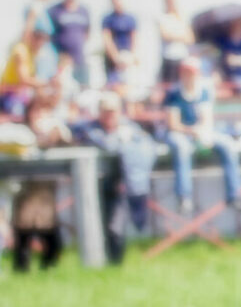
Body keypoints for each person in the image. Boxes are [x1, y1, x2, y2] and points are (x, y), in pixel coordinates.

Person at [81, 92, 157, 265]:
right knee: (93, 227)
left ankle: (114, 265)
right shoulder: (90, 130)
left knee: (115, 228)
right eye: (105, 111)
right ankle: (97, 263)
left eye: (112, 111)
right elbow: (105, 144)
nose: (109, 115)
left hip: (119, 186)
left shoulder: (132, 130)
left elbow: (147, 148)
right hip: (92, 186)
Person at [162, 58, 241, 214]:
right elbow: (173, 124)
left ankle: (234, 195)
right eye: (186, 72)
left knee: (228, 145)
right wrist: (193, 131)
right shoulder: (174, 93)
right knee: (182, 149)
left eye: (192, 73)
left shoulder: (203, 91)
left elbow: (206, 119)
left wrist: (202, 133)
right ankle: (184, 196)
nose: (189, 76)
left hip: (198, 131)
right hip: (181, 133)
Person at [12, 95, 71, 272]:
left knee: (51, 238)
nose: (39, 115)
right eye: (36, 110)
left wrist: (56, 136)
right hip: (25, 191)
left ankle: (48, 270)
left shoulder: (56, 131)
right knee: (23, 235)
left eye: (44, 111)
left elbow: (68, 147)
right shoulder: (20, 133)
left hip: (46, 193)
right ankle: (22, 272)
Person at [47, 0, 92, 86]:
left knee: (83, 91)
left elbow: (87, 33)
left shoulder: (84, 11)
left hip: (80, 60)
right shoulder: (54, 10)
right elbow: (47, 36)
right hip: (60, 61)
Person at [2, 28, 46, 116]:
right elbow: (24, 79)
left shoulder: (32, 54)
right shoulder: (21, 51)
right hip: (7, 93)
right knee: (17, 113)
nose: (40, 45)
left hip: (20, 94)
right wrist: (44, 84)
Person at [156, 0, 195, 89]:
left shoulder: (182, 18)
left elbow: (191, 38)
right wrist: (181, 36)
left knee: (182, 85)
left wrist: (174, 35)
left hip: (182, 56)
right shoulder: (162, 17)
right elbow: (165, 36)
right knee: (169, 87)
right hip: (169, 57)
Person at [100, 0, 138, 89]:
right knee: (113, 85)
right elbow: (107, 39)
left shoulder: (131, 19)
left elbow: (134, 38)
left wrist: (131, 57)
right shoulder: (108, 19)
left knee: (129, 86)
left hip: (127, 58)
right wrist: (116, 59)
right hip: (113, 60)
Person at [21, 0, 55, 79]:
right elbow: (28, 30)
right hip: (40, 52)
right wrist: (26, 52)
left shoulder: (39, 6)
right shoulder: (36, 6)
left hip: (43, 51)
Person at [216, 18, 241, 94]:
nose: (238, 27)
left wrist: (235, 60)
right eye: (235, 24)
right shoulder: (224, 40)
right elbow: (225, 59)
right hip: (229, 75)